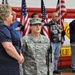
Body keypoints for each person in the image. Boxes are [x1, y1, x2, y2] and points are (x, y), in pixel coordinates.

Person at [0, 4, 24, 75]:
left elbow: (14, 45)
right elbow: (8, 47)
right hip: (6, 66)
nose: (12, 16)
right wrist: (19, 58)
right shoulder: (2, 28)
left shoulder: (6, 28)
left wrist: (20, 54)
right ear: (6, 17)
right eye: (11, 14)